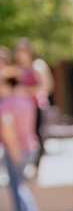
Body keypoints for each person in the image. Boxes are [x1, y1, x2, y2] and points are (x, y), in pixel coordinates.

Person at [0, 60, 39, 211]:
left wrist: (14, 152)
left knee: (17, 185)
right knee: (22, 183)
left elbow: (8, 132)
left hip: (16, 149)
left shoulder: (6, 105)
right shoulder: (26, 101)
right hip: (31, 146)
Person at [13, 38, 51, 174]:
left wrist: (26, 91)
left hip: (36, 105)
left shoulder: (37, 66)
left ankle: (36, 165)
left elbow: (46, 86)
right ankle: (25, 163)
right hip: (21, 108)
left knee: (38, 134)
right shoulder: (17, 69)